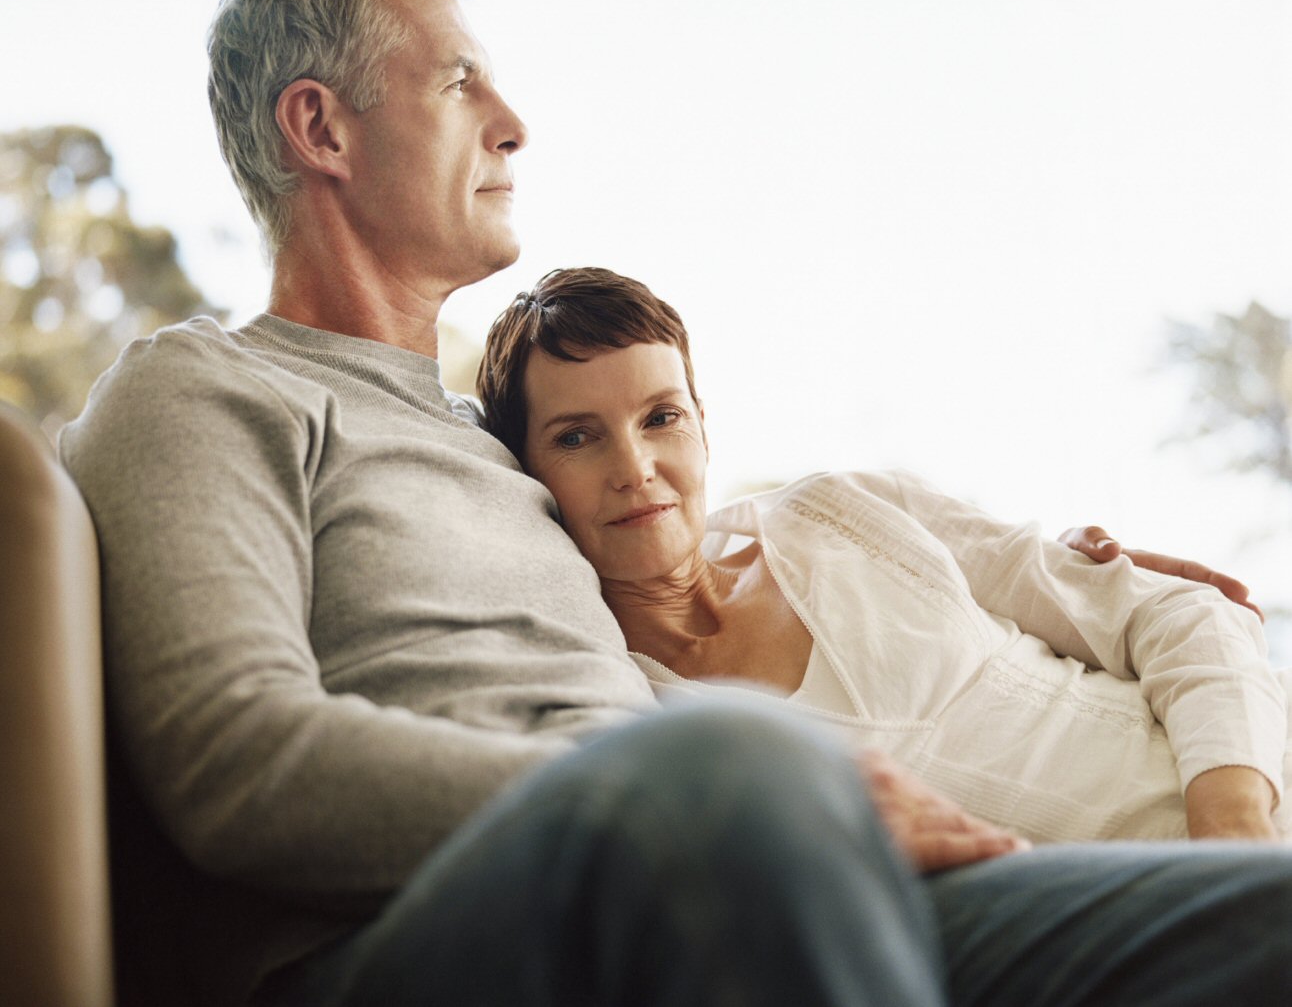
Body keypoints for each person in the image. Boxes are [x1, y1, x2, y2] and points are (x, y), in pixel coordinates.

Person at [57, 0, 1292, 1005]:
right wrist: (688, 793)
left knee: (1254, 921)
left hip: (748, 870)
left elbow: (691, 543)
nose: (513, 122)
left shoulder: (505, 460)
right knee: (739, 767)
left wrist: (1080, 571)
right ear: (320, 131)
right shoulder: (203, 388)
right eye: (457, 82)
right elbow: (235, 762)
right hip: (450, 931)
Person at [478, 266, 1292, 847]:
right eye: (578, 436)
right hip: (1132, 934)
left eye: (661, 418)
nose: (636, 468)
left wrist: (1231, 826)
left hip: (1252, 777)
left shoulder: (844, 512)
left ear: (703, 426)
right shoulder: (623, 702)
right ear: (526, 471)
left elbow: (1177, 613)